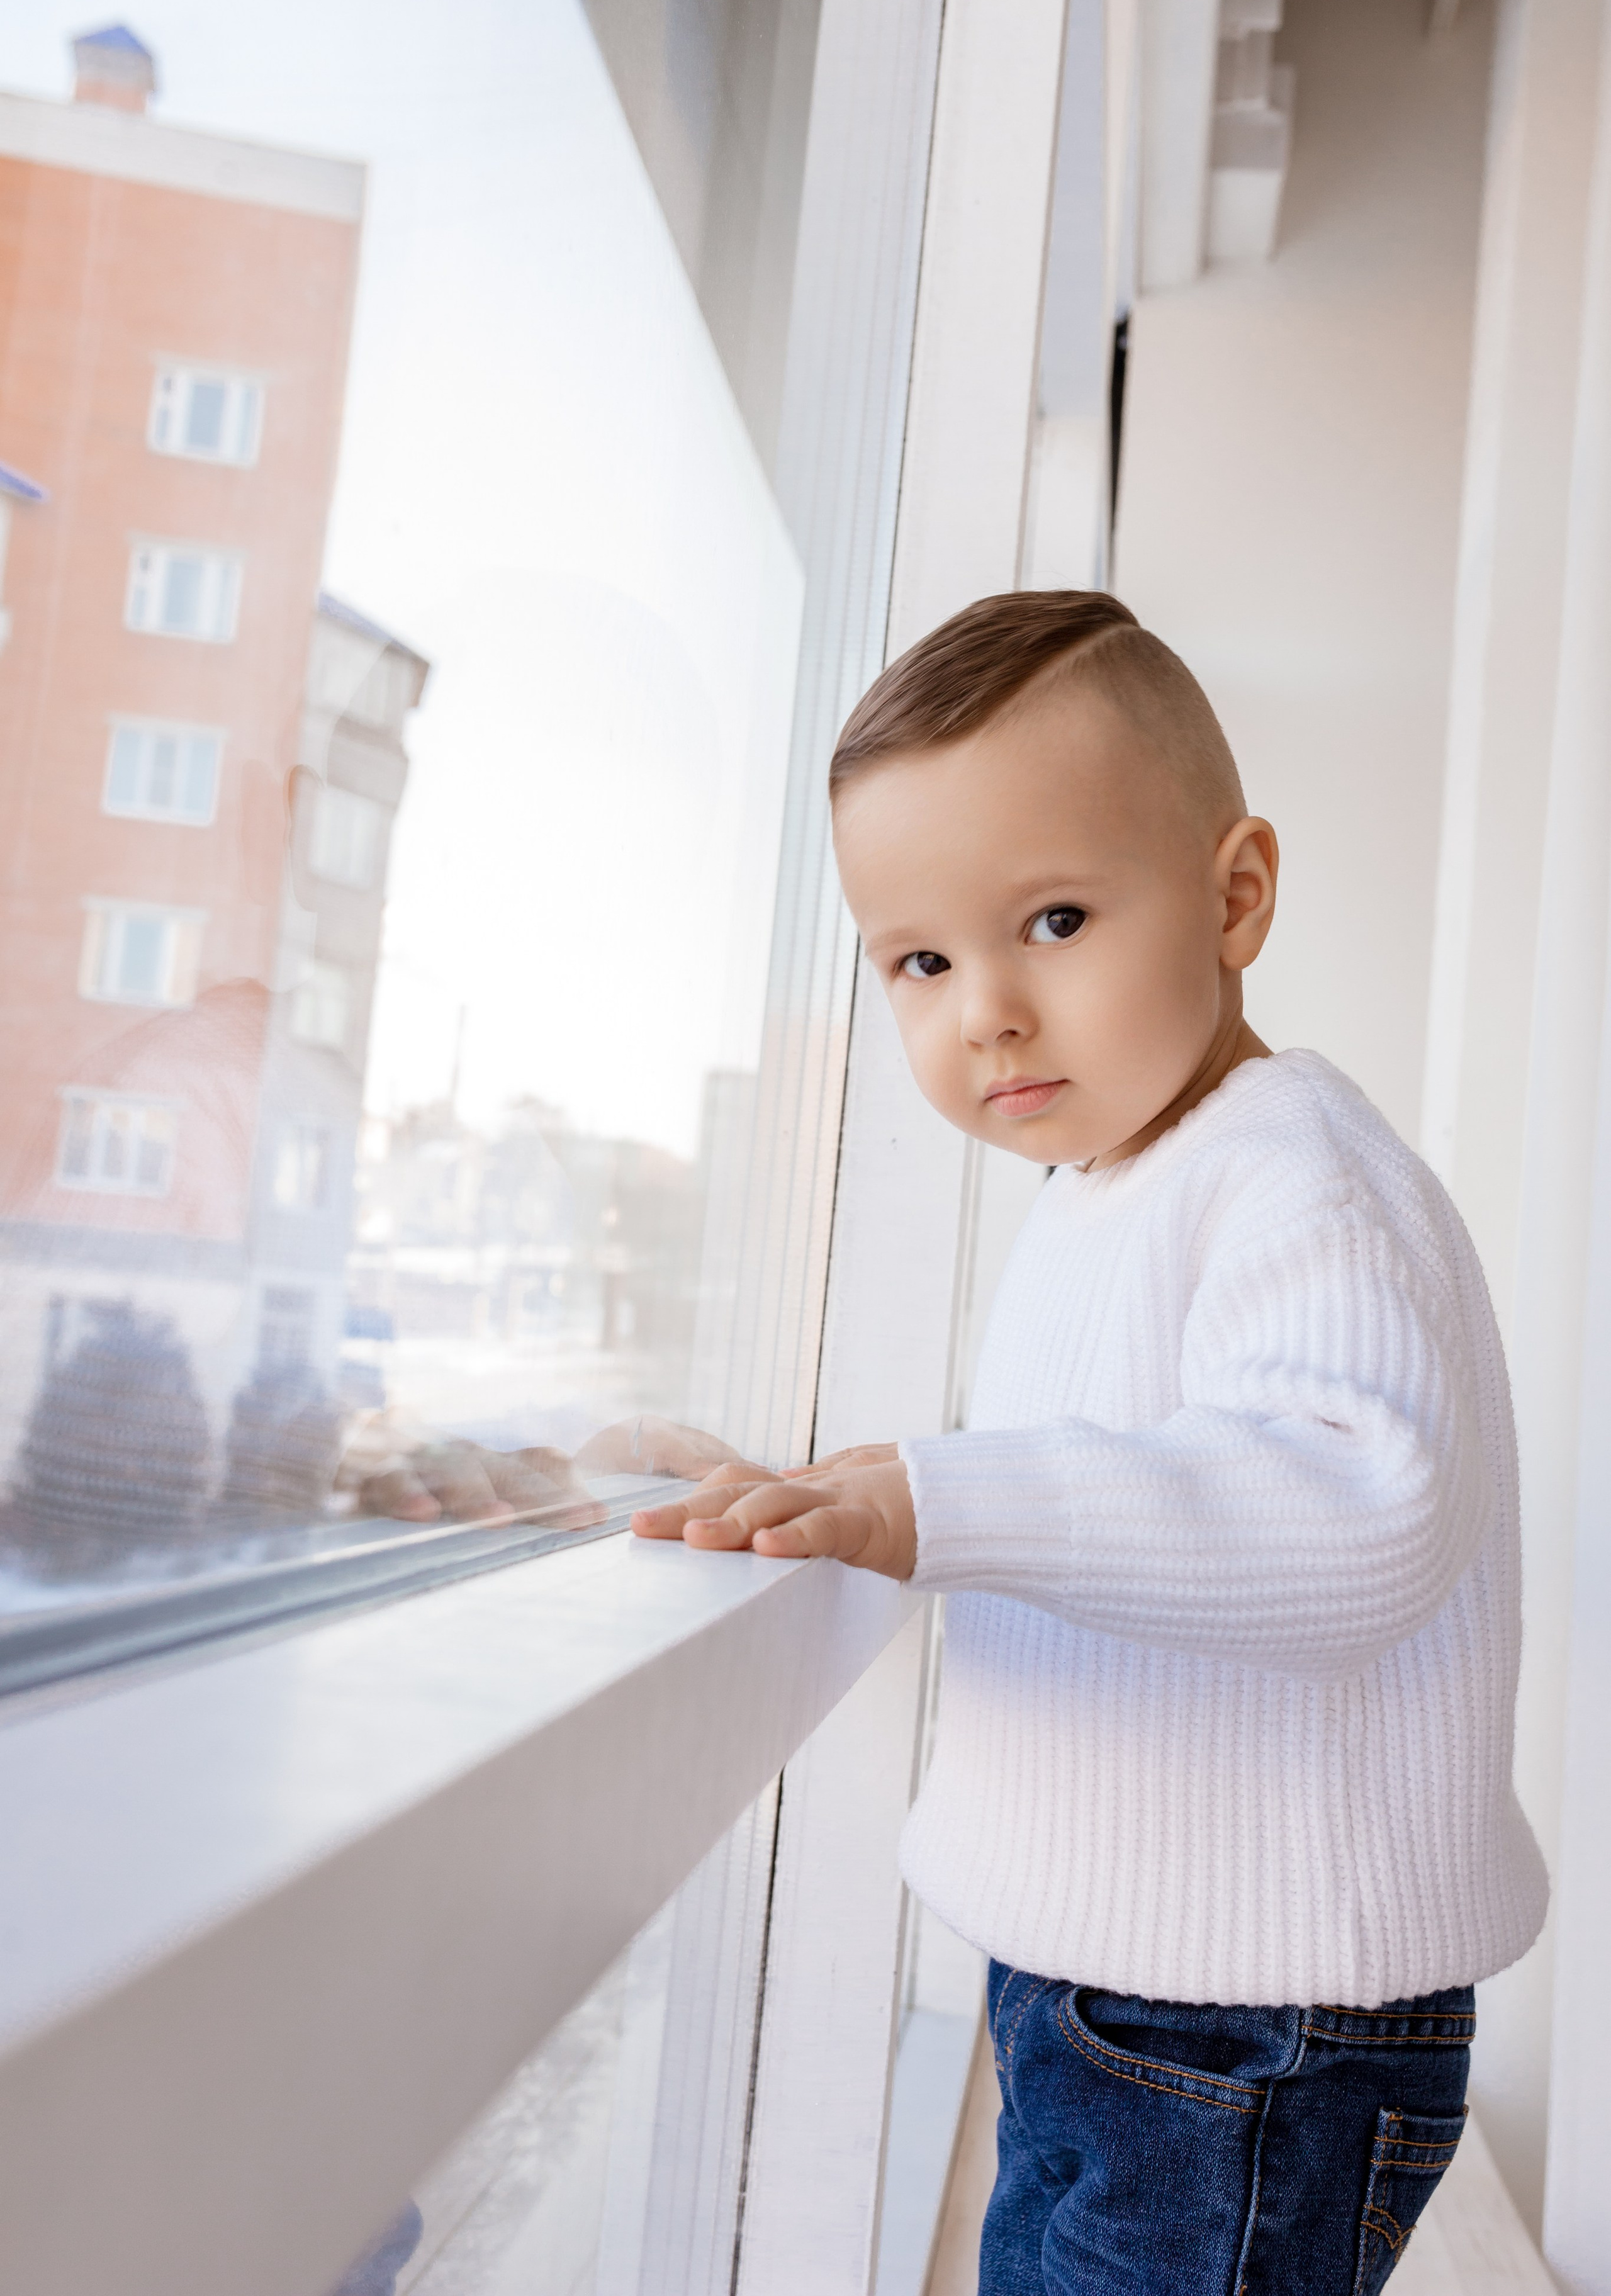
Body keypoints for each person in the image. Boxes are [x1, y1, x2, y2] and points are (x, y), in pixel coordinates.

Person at [631, 591, 1549, 2295]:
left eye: (1051, 918)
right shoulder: (1110, 1188)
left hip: (1251, 2034)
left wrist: (932, 1497)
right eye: (920, 961)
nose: (983, 1008)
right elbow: (1111, 1499)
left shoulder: (1299, 1179)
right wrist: (843, 1491)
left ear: (1236, 894)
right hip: (1111, 2003)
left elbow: (1355, 1509)